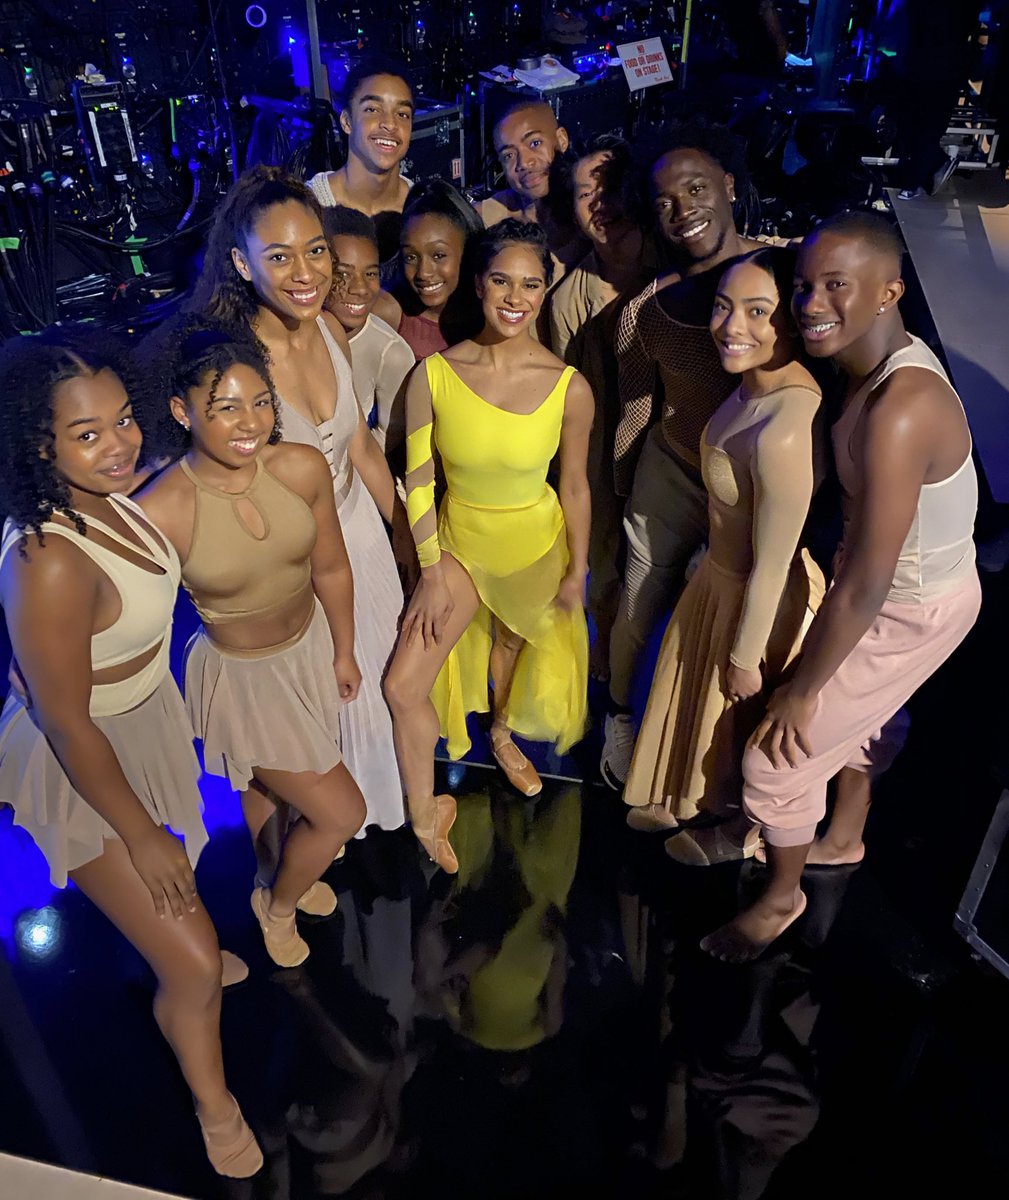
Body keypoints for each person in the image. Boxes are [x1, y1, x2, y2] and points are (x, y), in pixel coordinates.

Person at [0, 332, 261, 1178]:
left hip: (143, 722)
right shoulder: (47, 560)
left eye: (122, 420)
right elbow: (66, 722)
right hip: (82, 762)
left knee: (180, 890)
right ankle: (214, 1103)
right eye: (87, 434)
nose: (118, 445)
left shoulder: (112, 494)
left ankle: (180, 950)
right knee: (193, 959)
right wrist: (142, 834)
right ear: (40, 445)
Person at [702, 212, 981, 962]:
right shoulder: (864, 369)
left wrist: (800, 692)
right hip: (893, 589)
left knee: (774, 758)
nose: (811, 304)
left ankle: (781, 898)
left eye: (836, 286)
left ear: (889, 291)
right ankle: (843, 837)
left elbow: (868, 584)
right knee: (866, 719)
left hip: (909, 604)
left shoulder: (900, 407)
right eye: (803, 287)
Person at [137, 319, 366, 968]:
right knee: (340, 813)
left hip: (307, 652)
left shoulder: (300, 466)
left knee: (271, 786)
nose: (250, 422)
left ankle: (275, 873)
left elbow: (331, 567)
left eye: (261, 402)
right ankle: (278, 906)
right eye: (226, 408)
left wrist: (343, 649)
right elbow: (132, 619)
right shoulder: (160, 509)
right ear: (182, 411)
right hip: (240, 680)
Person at [190, 165, 408, 838]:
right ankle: (284, 861)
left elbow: (361, 447)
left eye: (315, 250)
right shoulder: (231, 367)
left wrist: (407, 542)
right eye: (279, 257)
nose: (306, 272)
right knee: (294, 738)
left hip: (361, 544)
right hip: (291, 573)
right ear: (241, 263)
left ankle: (343, 839)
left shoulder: (332, 333)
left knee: (372, 699)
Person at [383, 220, 593, 872]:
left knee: (509, 648)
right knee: (402, 686)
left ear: (545, 291)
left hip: (534, 544)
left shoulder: (569, 386)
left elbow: (576, 486)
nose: (514, 297)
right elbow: (418, 480)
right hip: (458, 547)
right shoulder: (433, 374)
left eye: (530, 284)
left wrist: (578, 570)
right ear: (478, 284)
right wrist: (428, 572)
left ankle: (500, 733)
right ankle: (426, 811)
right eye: (502, 280)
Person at [624, 248, 824, 861]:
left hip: (756, 596)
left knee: (737, 716)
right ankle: (688, 797)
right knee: (698, 706)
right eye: (722, 307)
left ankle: (741, 832)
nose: (732, 326)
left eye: (757, 311)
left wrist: (745, 655)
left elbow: (775, 561)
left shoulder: (786, 422)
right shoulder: (753, 384)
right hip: (719, 580)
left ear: (789, 319)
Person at [601, 119, 763, 789]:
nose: (683, 209)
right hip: (674, 471)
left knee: (748, 623)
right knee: (639, 602)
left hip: (760, 486)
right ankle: (618, 715)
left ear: (728, 186)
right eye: (664, 201)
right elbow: (635, 408)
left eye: (696, 189)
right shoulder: (649, 308)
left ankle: (731, 756)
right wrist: (621, 495)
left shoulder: (785, 275)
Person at [547, 134, 667, 679]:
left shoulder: (675, 265)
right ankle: (609, 685)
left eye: (610, 186)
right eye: (583, 194)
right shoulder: (569, 302)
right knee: (609, 574)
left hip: (678, 451)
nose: (600, 204)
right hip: (604, 458)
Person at [322, 204, 415, 458]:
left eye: (371, 273)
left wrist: (336, 467)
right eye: (343, 274)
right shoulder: (290, 332)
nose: (360, 288)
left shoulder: (391, 352)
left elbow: (386, 436)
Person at [307, 58, 415, 265]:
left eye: (402, 114)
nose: (390, 124)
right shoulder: (311, 207)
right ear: (346, 121)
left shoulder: (420, 208)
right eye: (372, 109)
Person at [479, 100, 585, 278]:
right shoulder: (487, 219)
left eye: (535, 143)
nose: (524, 163)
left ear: (561, 140)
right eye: (509, 155)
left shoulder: (592, 213)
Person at [394, 178, 484, 361]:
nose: (423, 273)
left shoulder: (491, 316)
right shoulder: (390, 313)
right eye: (411, 257)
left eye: (438, 255)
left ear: (468, 251)